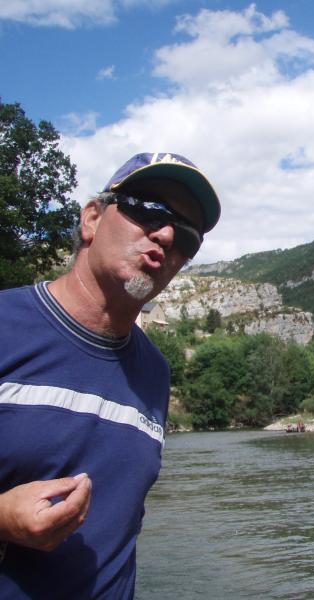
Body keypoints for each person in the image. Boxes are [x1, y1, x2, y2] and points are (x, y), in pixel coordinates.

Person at [0, 152, 221, 599]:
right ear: (92, 219)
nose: (164, 234)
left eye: (187, 237)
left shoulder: (155, 374)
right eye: (149, 210)